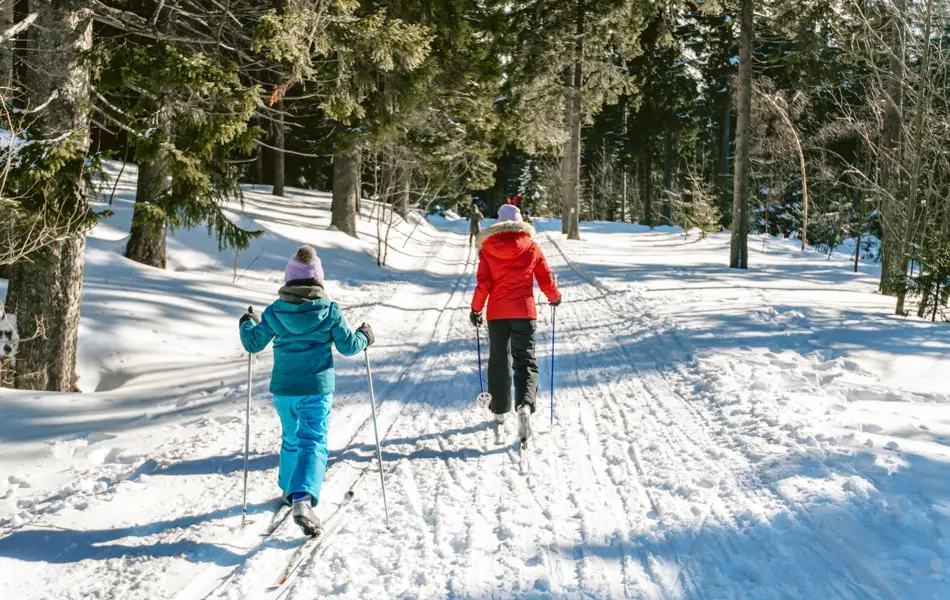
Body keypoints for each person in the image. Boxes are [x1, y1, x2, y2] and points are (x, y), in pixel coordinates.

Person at [239, 245, 374, 537]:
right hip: (316, 388)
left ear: (288, 280)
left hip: (284, 389)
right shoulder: (329, 311)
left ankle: (289, 490)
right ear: (318, 281)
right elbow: (349, 347)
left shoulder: (275, 311)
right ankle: (302, 498)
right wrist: (365, 335)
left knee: (291, 438)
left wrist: (246, 323)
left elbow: (252, 343)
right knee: (312, 440)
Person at [470, 204, 561, 444]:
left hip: (497, 314)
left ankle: (500, 411)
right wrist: (555, 297)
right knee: (525, 361)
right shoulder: (532, 247)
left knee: (499, 360)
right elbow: (545, 279)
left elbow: (483, 285)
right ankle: (524, 406)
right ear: (521, 223)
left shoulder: (488, 249)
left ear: (499, 223)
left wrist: (476, 308)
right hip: (524, 313)